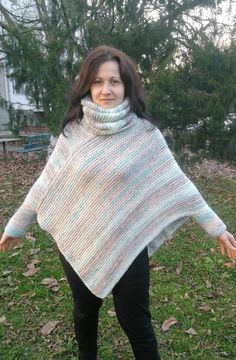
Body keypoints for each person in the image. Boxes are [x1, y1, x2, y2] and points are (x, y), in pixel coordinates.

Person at [0, 45, 236, 360]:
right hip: (79, 237)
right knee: (84, 314)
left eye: (114, 81)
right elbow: (46, 184)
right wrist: (17, 225)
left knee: (135, 322)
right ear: (87, 85)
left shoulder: (145, 134)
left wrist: (216, 228)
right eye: (97, 82)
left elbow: (178, 183)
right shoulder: (73, 133)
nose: (106, 90)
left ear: (126, 85)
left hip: (128, 242)